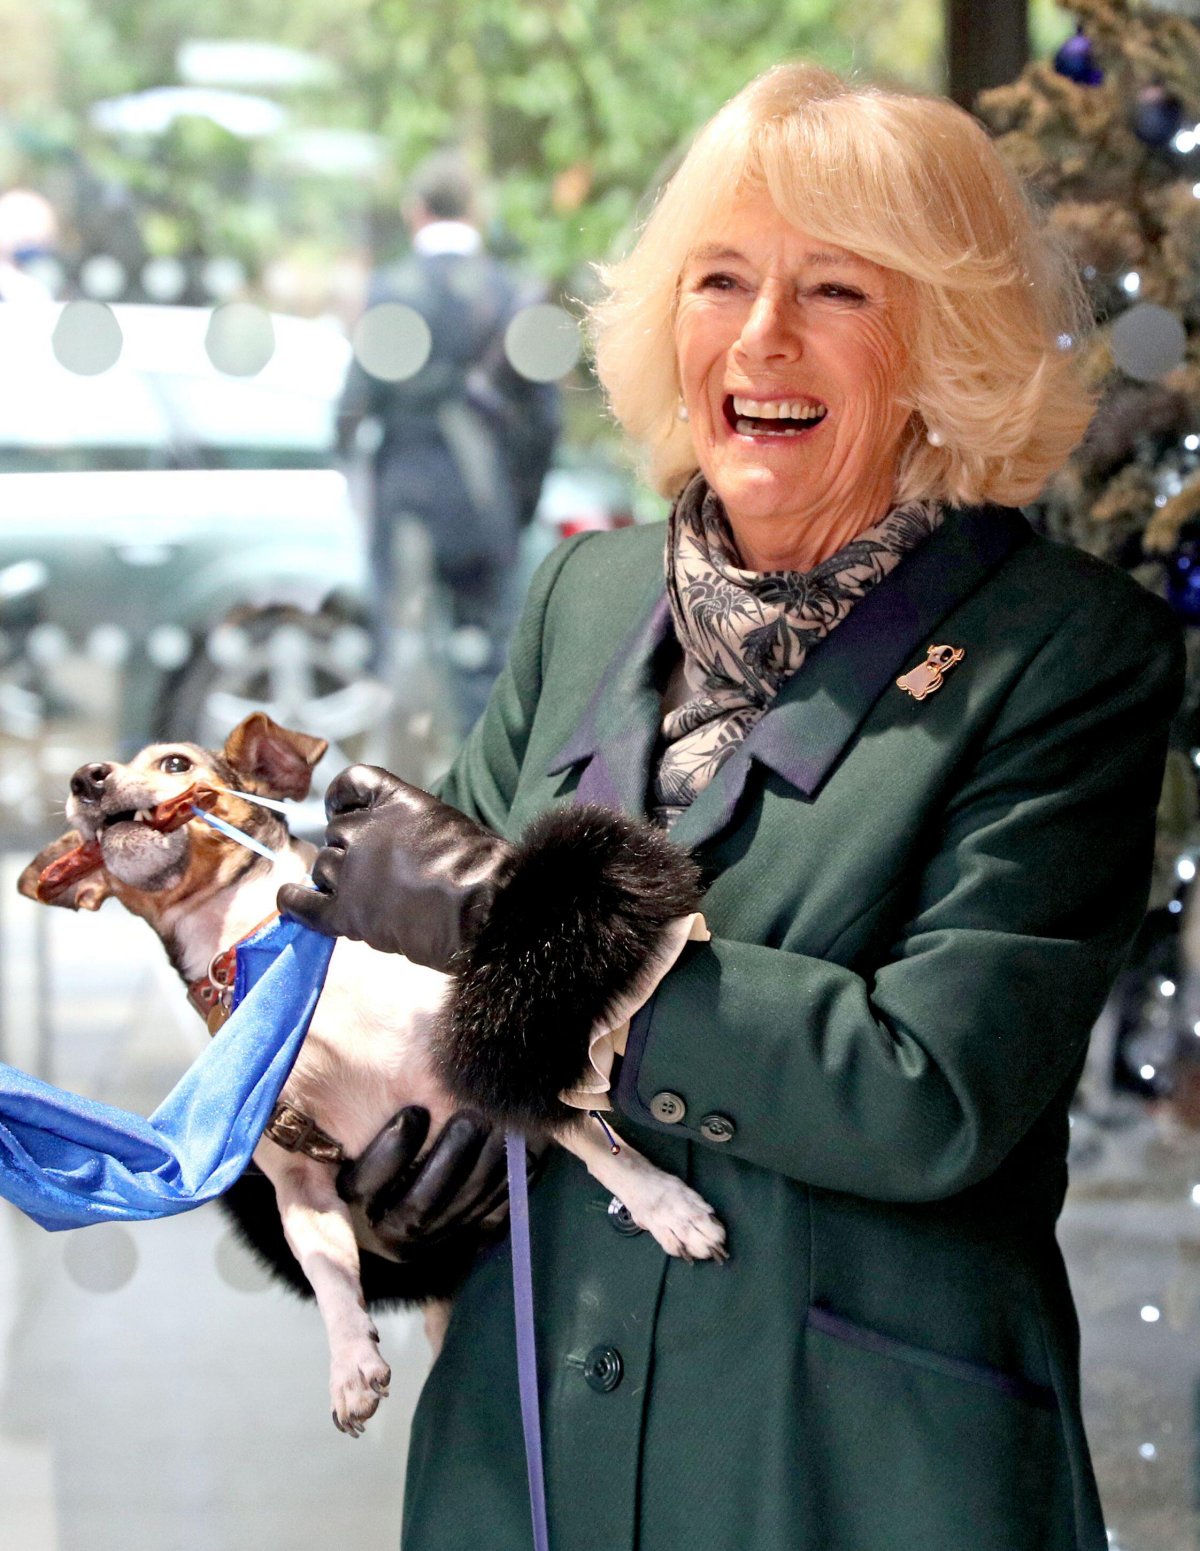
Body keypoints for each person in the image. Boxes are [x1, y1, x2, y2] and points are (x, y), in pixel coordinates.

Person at [269, 64, 1182, 1550]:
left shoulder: (1064, 653)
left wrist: (551, 959)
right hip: (531, 1453)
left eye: (836, 289)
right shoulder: (588, 594)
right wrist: (313, 1080)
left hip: (849, 1468)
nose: (762, 335)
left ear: (943, 340)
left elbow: (928, 1090)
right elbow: (435, 993)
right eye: (720, 279)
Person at [336, 149, 560, 732]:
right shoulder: (510, 292)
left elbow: (354, 405)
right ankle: (478, 802)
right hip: (486, 499)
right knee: (485, 668)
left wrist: (360, 487)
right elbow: (544, 418)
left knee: (399, 659)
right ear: (475, 212)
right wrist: (521, 504)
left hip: (406, 497)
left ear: (416, 213)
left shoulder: (389, 288)